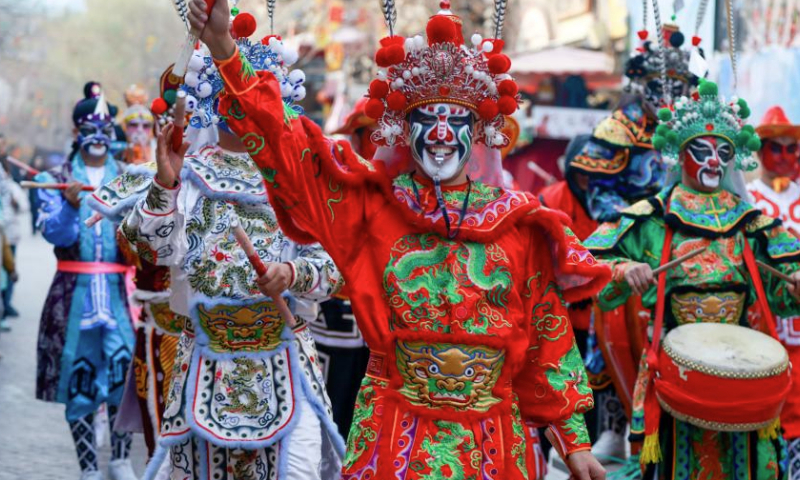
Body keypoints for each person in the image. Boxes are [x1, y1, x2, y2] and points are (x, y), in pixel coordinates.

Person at [189, 0, 611, 479]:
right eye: (426, 119)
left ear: (477, 131)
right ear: (404, 129)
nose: (439, 134)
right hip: (394, 432)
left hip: (493, 439)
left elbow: (547, 333)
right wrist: (224, 48)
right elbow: (291, 145)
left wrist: (573, 441)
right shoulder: (372, 208)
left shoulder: (518, 225)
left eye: (455, 120)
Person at [120, 34, 345, 480]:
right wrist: (164, 186)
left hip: (284, 355)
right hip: (204, 355)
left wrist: (292, 272)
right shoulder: (188, 171)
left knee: (295, 473)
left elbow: (334, 269)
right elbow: (148, 249)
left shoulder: (299, 178)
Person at [584, 80, 800, 480]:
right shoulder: (652, 216)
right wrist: (623, 271)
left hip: (744, 363)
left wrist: (794, 284)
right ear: (679, 155)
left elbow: (785, 279)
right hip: (675, 365)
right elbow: (586, 263)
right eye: (703, 151)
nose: (714, 162)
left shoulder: (751, 222)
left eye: (724, 152)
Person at [569, 24, 704, 460]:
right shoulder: (620, 127)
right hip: (631, 238)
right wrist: (632, 219)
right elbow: (596, 189)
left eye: (678, 87)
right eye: (657, 86)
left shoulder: (693, 129)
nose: (667, 96)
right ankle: (614, 422)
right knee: (615, 334)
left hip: (686, 240)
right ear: (638, 84)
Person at [33, 83, 137, 480]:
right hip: (71, 293)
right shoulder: (53, 178)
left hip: (119, 295)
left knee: (123, 374)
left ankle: (121, 459)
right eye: (89, 129)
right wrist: (69, 207)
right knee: (78, 379)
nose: (98, 137)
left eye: (105, 129)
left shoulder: (129, 178)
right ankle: (89, 467)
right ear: (77, 132)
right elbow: (55, 236)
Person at [87, 69, 187, 473]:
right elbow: (133, 247)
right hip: (161, 323)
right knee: (161, 432)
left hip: (241, 338)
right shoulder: (137, 177)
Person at [746, 106, 800, 479]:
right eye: (776, 149)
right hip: (760, 322)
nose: (785, 158)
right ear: (760, 152)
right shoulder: (745, 202)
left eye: (791, 149)